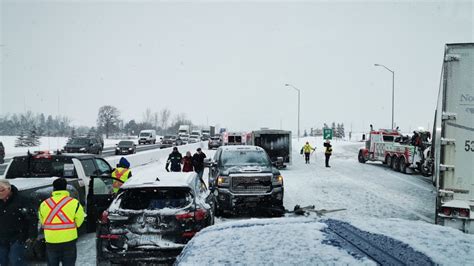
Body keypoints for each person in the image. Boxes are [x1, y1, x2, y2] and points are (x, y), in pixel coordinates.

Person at [39, 178, 85, 266]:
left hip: (51, 240)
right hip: (69, 239)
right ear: (65, 188)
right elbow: (80, 218)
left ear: (53, 189)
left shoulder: (44, 204)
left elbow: (42, 220)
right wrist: (74, 225)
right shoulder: (74, 202)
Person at [0, 179, 37, 266]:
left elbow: (32, 218)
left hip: (18, 236)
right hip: (2, 237)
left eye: (2, 190)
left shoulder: (22, 201)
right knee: (3, 261)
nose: (0, 193)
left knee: (16, 260)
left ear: (9, 189)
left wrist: (32, 235)